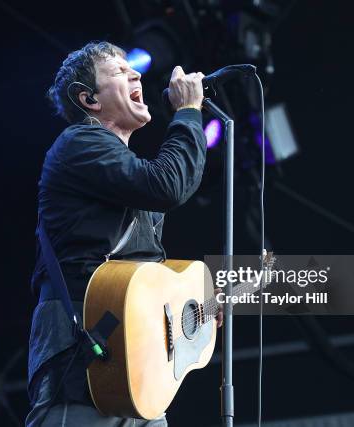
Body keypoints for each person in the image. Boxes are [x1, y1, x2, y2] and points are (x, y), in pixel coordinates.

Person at [26, 41, 218, 427]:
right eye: (118, 71)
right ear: (89, 99)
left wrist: (202, 316)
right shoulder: (78, 144)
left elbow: (144, 280)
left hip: (137, 384)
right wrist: (188, 113)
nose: (137, 75)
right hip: (82, 378)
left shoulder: (125, 173)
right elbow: (168, 185)